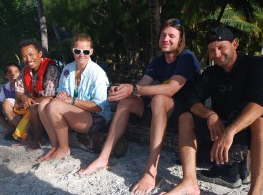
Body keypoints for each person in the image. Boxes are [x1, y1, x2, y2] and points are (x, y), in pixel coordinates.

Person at [78, 18, 201, 195]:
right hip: (160, 112)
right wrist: (123, 90)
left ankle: (151, 172)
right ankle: (103, 157)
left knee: (159, 98)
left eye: (171, 36)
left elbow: (172, 88)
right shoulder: (157, 62)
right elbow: (141, 87)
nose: (166, 39)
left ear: (180, 40)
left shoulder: (187, 58)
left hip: (184, 114)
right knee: (127, 101)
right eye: (163, 35)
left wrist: (135, 88)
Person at [163, 27, 263, 195]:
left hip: (247, 126)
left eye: (221, 47)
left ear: (234, 44)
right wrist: (210, 114)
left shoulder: (254, 65)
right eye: (211, 50)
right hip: (221, 123)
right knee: (186, 117)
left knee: (261, 120)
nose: (216, 54)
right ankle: (189, 182)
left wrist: (231, 130)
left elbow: (260, 103)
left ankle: (255, 191)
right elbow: (191, 100)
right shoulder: (211, 73)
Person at [37, 33, 111, 161]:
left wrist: (72, 100)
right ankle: (55, 146)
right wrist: (62, 94)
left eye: (86, 51)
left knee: (54, 106)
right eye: (78, 51)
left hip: (96, 119)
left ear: (91, 52)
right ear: (73, 51)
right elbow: (61, 91)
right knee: (43, 105)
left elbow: (98, 107)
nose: (82, 54)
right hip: (75, 113)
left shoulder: (97, 73)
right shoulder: (68, 68)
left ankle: (64, 148)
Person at [13, 39, 61, 149]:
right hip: (31, 100)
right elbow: (18, 92)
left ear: (39, 54)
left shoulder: (51, 69)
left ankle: (37, 138)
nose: (28, 59)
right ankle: (27, 136)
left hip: (48, 104)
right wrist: (24, 97)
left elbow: (51, 95)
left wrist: (29, 101)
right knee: (7, 105)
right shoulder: (25, 71)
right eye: (24, 56)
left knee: (34, 108)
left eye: (31, 54)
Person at [0, 62, 21, 140]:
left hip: (20, 108)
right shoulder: (5, 87)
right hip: (9, 108)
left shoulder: (22, 84)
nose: (13, 74)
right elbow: (0, 101)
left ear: (20, 73)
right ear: (6, 76)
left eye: (16, 71)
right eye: (10, 72)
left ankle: (21, 131)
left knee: (7, 103)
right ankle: (10, 128)